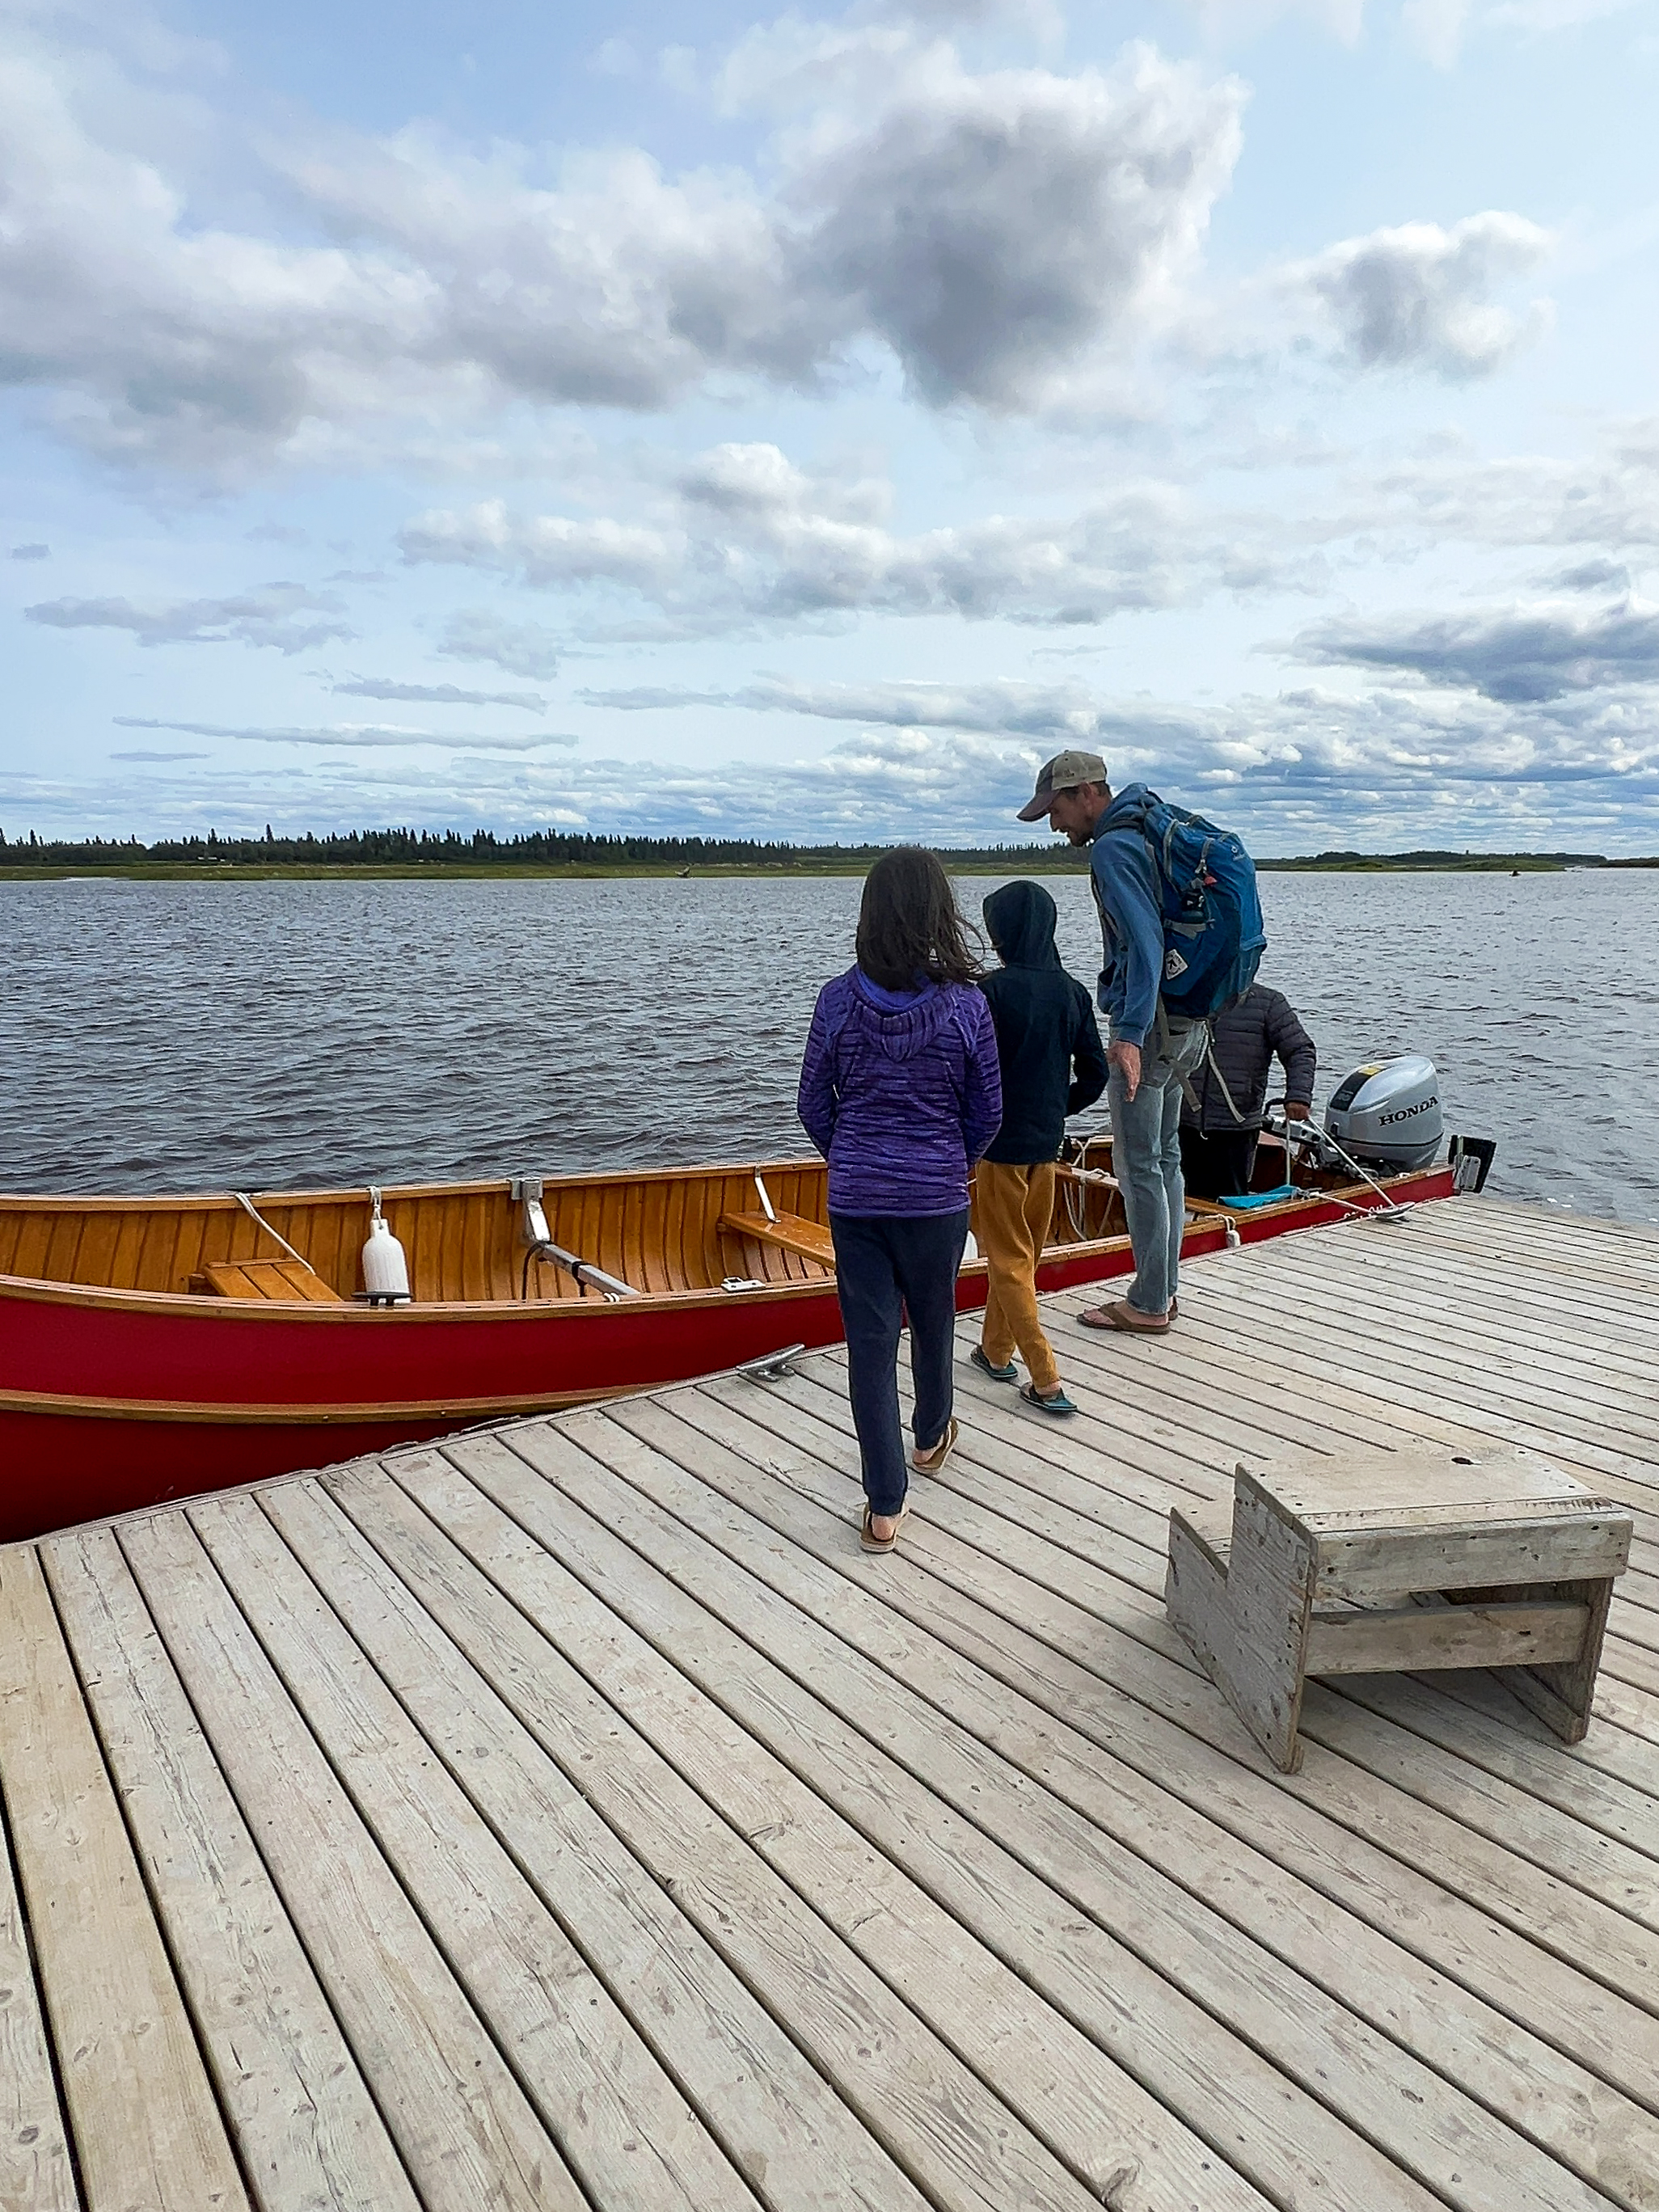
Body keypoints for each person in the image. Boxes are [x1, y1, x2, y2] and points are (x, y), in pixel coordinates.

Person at [797, 849, 1002, 1552]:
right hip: (937, 1193)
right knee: (937, 1317)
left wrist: (851, 1157)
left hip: (857, 1197)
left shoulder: (834, 999)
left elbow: (810, 1104)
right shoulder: (969, 1006)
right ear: (938, 914)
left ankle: (885, 1506)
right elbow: (988, 1111)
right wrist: (954, 1164)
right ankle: (931, 1435)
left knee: (870, 1345)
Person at [1016, 749, 1205, 1336]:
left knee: (1138, 1166)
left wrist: (1125, 1036)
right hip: (1189, 1024)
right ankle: (1164, 1290)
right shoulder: (1153, 826)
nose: (1055, 825)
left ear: (1088, 793)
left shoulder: (1115, 847)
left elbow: (1145, 944)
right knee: (1165, 1159)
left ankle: (1148, 1303)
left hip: (1148, 1030)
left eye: (1058, 809)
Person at [973, 880, 1107, 1415]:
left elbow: (969, 1073)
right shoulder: (1072, 992)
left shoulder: (989, 992)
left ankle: (1046, 1377)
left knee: (1007, 1261)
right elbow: (1095, 1074)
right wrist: (1058, 1109)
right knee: (1023, 1256)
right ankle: (994, 1350)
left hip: (999, 1149)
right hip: (1046, 1149)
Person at [1179, 986, 1316, 1201]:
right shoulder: (1183, 993)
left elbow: (1300, 1050)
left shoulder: (1269, 1003)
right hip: (1180, 1120)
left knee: (1231, 1198)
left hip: (1235, 1126)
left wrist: (1298, 1096)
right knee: (1175, 1192)